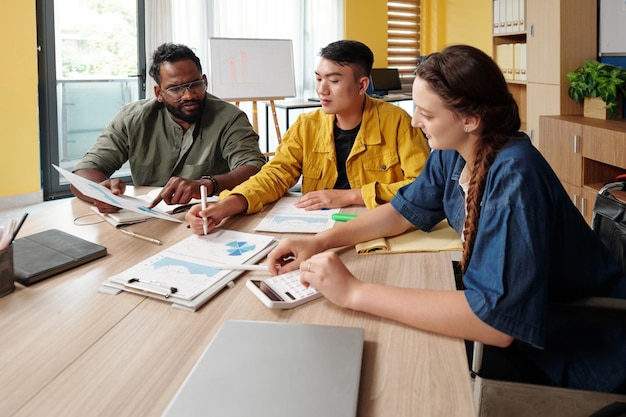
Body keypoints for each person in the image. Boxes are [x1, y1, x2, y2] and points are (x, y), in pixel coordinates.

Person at [264, 45, 626, 393]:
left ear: (470, 118)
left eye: (427, 113)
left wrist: (354, 291)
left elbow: (494, 321)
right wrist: (320, 242)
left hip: (573, 352)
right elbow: (400, 212)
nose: (416, 120)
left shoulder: (515, 177)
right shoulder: (453, 150)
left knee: (402, 369)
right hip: (525, 330)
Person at [185, 40, 429, 233]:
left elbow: (420, 186)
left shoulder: (397, 121)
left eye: (333, 80)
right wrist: (227, 205)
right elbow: (276, 175)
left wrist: (350, 195)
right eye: (319, 78)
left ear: (362, 85)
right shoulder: (306, 125)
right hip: (315, 228)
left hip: (378, 224)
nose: (322, 90)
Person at [71, 43, 267, 213]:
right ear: (158, 92)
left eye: (195, 84)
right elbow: (83, 172)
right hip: (146, 218)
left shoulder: (229, 118)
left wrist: (207, 184)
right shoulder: (132, 119)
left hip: (209, 216)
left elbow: (254, 167)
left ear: (204, 81)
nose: (189, 95)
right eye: (176, 88)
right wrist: (102, 193)